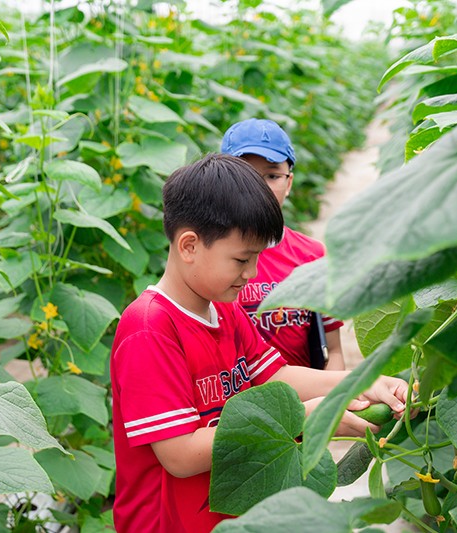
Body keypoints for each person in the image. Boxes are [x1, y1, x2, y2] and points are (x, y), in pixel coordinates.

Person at [110, 154, 411, 533]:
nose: (251, 274)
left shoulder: (225, 310)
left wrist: (361, 382)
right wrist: (301, 417)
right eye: (241, 259)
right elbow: (180, 454)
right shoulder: (150, 328)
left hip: (228, 518)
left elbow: (276, 375)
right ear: (189, 246)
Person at [221, 118, 346, 370]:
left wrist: (329, 401)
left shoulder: (312, 255)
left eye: (272, 175)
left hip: (307, 402)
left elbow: (333, 351)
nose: (259, 188)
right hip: (238, 406)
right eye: (246, 175)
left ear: (288, 183)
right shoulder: (211, 255)